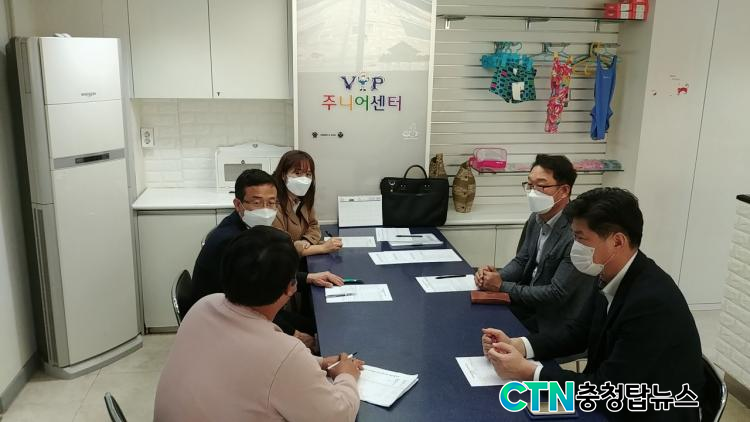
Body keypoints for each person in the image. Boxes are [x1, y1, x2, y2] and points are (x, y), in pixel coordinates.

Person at [482, 188, 704, 421]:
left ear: (617, 241)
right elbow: (578, 333)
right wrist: (519, 345)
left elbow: (608, 389)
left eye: (581, 239)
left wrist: (530, 373)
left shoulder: (651, 302)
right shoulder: (607, 274)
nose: (574, 247)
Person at [154, 227, 362, 422]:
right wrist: (347, 375)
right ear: (291, 287)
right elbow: (337, 416)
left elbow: (252, 363)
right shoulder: (284, 353)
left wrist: (319, 362)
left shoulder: (203, 306)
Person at [189, 169, 343, 347]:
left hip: (242, 309)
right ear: (238, 204)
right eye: (257, 203)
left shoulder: (244, 227)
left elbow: (265, 280)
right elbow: (251, 303)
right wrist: (292, 333)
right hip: (222, 323)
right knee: (321, 334)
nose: (266, 210)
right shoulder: (232, 241)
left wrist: (308, 277)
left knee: (319, 326)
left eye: (271, 203)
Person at [474, 154, 595, 333]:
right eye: (530, 185)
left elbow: (556, 293)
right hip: (526, 303)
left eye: (541, 186)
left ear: (564, 191)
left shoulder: (575, 234)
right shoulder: (536, 218)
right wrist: (493, 277)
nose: (533, 192)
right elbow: (522, 260)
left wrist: (501, 285)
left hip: (553, 318)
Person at [272, 150, 342, 256]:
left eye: (308, 174)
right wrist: (322, 248)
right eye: (297, 173)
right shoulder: (272, 204)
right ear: (283, 175)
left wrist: (307, 241)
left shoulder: (304, 199)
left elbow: (314, 226)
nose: (304, 179)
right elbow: (281, 247)